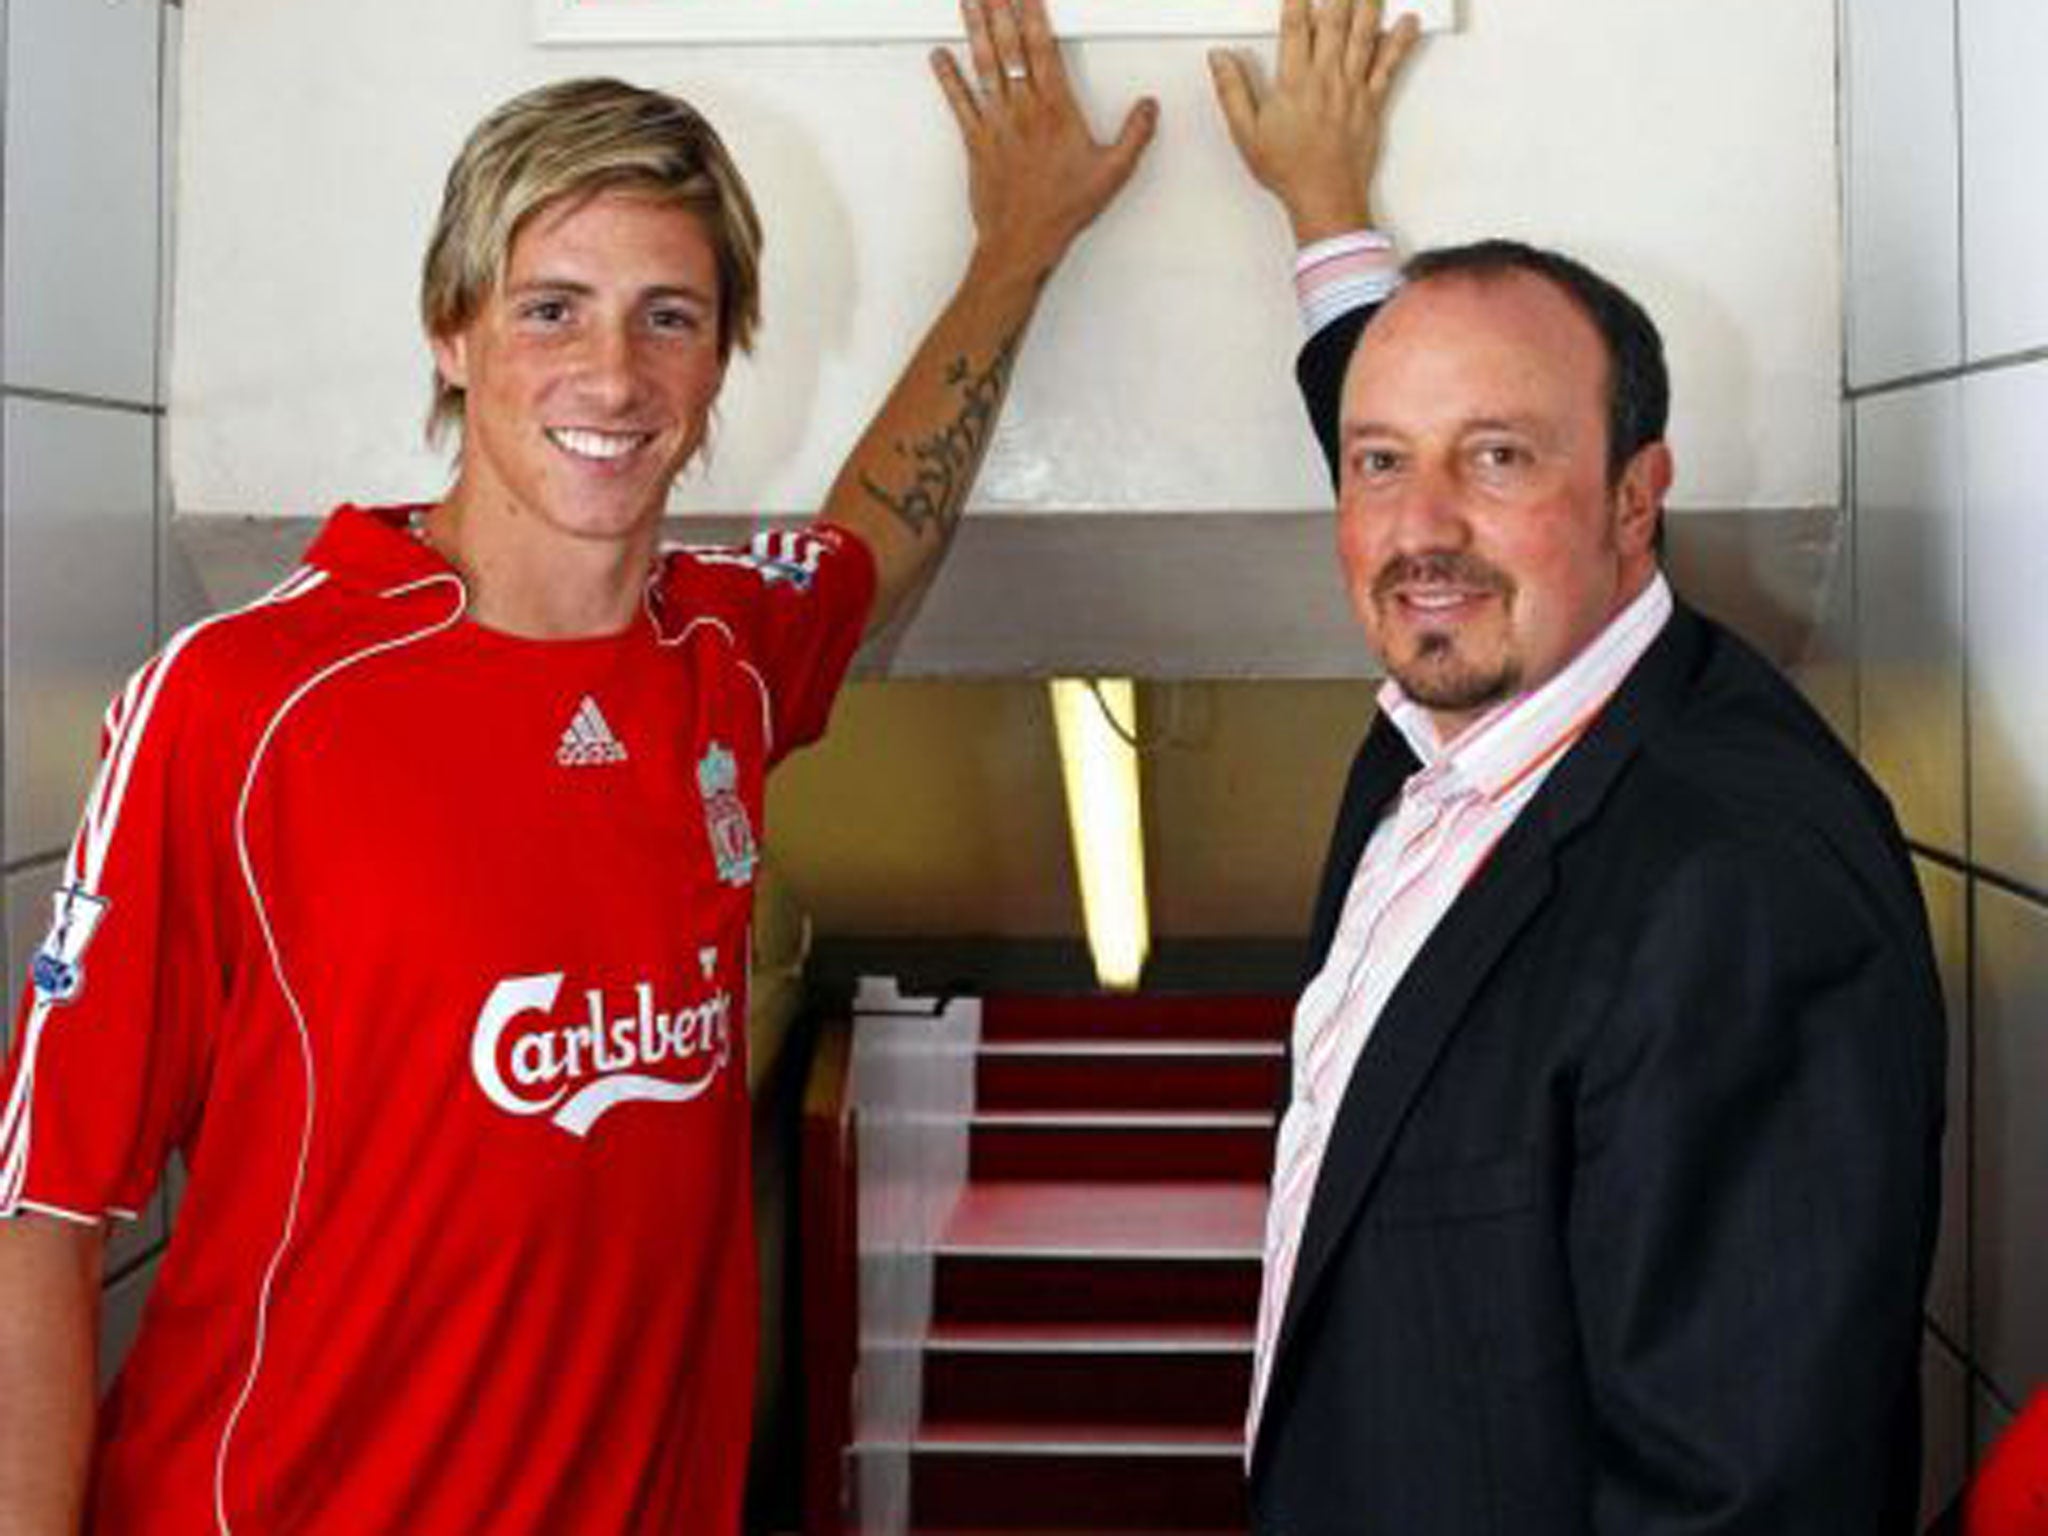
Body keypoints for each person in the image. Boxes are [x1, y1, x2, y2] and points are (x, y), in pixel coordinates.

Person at [0, 4, 1153, 1530]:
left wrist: (1017, 247)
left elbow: (883, 533)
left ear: (724, 349)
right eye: (551, 308)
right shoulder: (240, 703)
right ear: (452, 330)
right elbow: (44, 1212)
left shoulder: (724, 656)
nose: (612, 375)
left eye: (668, 316)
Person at [1210, 1, 1947, 1530]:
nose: (1421, 528)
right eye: (1379, 462)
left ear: (1634, 500)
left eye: (1499, 457)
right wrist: (1323, 209)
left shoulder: (1738, 888)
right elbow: (1403, 450)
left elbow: (1744, 1500)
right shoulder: (1471, 703)